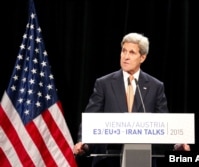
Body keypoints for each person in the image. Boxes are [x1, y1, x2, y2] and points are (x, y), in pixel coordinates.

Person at [73, 32, 190, 167]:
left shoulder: (155, 86)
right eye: (124, 51)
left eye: (132, 53)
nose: (126, 57)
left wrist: (176, 144)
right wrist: (83, 142)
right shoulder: (104, 83)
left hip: (143, 158)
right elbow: (91, 117)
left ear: (142, 57)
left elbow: (163, 122)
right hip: (108, 158)